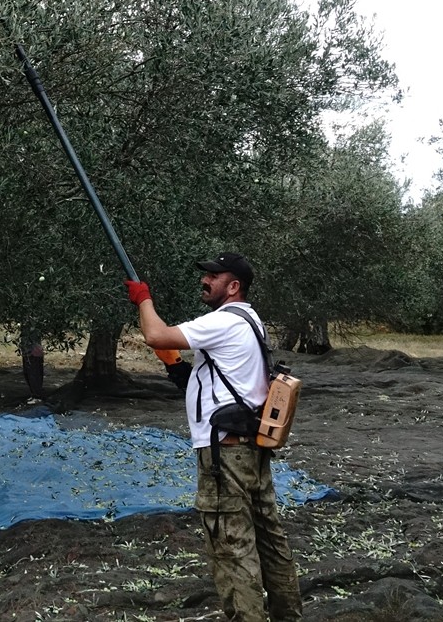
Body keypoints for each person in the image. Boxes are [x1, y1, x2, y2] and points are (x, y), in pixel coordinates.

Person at [127, 252, 302, 622]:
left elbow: (155, 334)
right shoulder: (251, 320)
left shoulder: (222, 321)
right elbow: (224, 380)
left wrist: (143, 299)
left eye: (213, 275)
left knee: (231, 546)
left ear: (233, 285)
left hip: (225, 456)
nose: (204, 281)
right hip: (250, 449)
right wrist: (176, 367)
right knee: (269, 540)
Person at [19, 326, 45, 404]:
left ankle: (37, 396)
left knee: (34, 374)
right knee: (28, 374)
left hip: (33, 353)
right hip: (27, 352)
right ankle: (34, 395)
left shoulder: (33, 324)